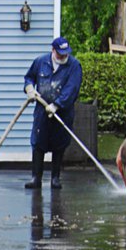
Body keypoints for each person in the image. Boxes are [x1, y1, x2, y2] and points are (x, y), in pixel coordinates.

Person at [23, 36, 83, 189]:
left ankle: (55, 178)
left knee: (59, 143)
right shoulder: (40, 62)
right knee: (38, 143)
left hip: (62, 112)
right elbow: (29, 77)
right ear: (53, 50)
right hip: (42, 112)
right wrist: (29, 88)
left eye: (65, 54)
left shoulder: (74, 66)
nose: (63, 57)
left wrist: (57, 105)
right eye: (60, 54)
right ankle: (36, 178)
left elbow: (72, 89)